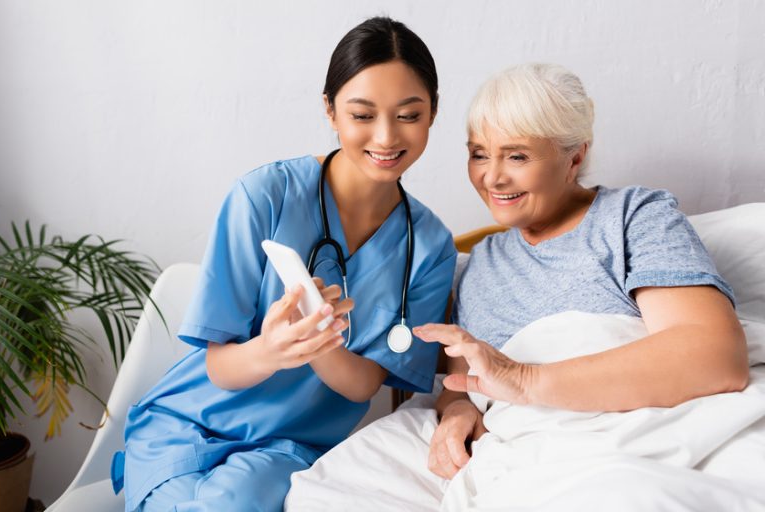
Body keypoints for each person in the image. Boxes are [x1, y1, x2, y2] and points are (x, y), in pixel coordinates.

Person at [285, 62, 749, 510]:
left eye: (517, 156)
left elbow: (713, 356)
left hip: (627, 436)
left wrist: (526, 381)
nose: (492, 177)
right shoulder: (481, 265)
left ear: (575, 157)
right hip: (525, 445)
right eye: (478, 154)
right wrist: (459, 411)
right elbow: (463, 384)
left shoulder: (634, 218)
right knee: (322, 493)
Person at [111, 17, 456, 512]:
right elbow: (220, 367)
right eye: (362, 115)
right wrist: (273, 349)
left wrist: (318, 341)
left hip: (287, 449)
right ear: (330, 110)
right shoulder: (264, 197)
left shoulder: (430, 246)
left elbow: (363, 384)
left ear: (433, 113)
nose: (385, 137)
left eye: (408, 115)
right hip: (186, 426)